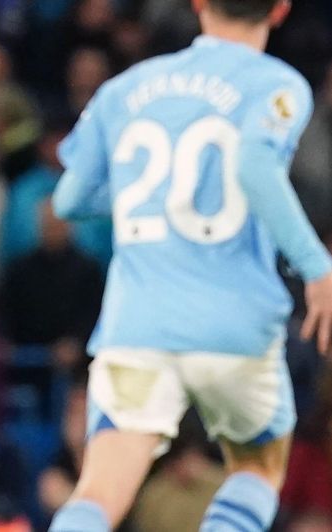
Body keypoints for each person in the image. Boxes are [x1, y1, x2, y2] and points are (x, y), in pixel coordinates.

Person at [48, 1, 332, 531]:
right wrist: (317, 267)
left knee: (100, 491)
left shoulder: (123, 90)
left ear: (198, 2)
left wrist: (149, 201)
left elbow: (68, 201)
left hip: (137, 328)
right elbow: (254, 163)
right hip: (235, 329)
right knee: (257, 470)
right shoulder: (277, 84)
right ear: (281, 9)